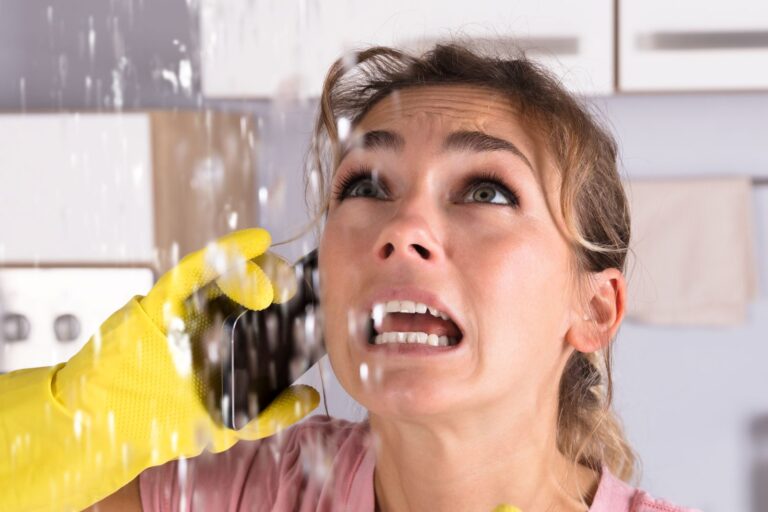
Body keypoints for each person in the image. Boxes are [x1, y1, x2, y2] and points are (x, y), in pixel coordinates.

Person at [0, 42, 699, 512]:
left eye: (486, 191)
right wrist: (90, 417)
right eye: (366, 185)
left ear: (595, 310)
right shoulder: (246, 491)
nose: (403, 229)